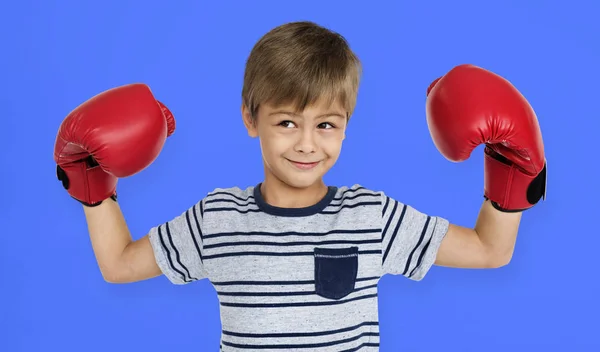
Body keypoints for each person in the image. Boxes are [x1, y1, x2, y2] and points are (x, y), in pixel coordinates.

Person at [53, 21, 546, 352]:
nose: (308, 144)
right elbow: (119, 265)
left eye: (326, 125)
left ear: (347, 125)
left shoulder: (370, 217)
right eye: (287, 122)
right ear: (251, 118)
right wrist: (92, 184)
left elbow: (488, 251)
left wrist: (511, 173)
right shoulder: (217, 217)